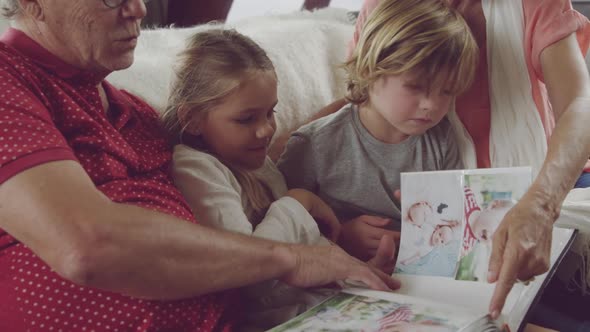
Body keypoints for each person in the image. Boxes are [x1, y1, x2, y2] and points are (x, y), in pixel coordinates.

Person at [0, 0, 399, 330]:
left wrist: (341, 265)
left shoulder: (132, 111)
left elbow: (252, 171)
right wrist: (291, 257)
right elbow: (85, 245)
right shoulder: (10, 81)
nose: (138, 8)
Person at [347, 0, 590, 319]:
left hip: (548, 181)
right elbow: (358, 101)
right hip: (443, 214)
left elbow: (581, 105)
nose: (430, 104)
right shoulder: (384, 7)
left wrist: (542, 204)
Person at [161, 28, 347, 329]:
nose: (266, 130)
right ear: (192, 119)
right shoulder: (195, 168)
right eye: (246, 119)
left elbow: (306, 245)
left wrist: (352, 271)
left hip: (320, 304)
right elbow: (247, 274)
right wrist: (297, 202)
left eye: (270, 113)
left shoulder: (254, 160)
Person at [277, 0, 478, 264]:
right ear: (369, 71)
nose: (432, 104)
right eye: (416, 87)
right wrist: (341, 237)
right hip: (339, 277)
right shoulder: (314, 145)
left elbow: (452, 222)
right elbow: (283, 226)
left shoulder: (442, 140)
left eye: (447, 91)